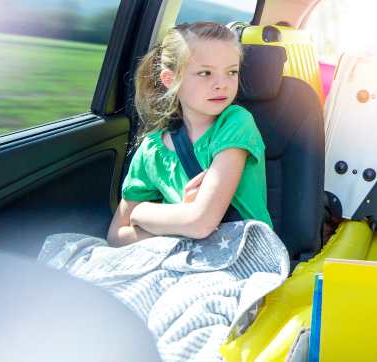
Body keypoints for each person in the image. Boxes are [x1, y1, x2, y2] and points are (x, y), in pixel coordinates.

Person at [107, 22, 272, 246]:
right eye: (205, 73)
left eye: (231, 72)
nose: (222, 84)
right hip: (180, 255)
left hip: (244, 255)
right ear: (170, 80)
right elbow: (116, 236)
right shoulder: (151, 150)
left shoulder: (236, 123)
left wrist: (143, 213)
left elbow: (201, 222)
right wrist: (181, 216)